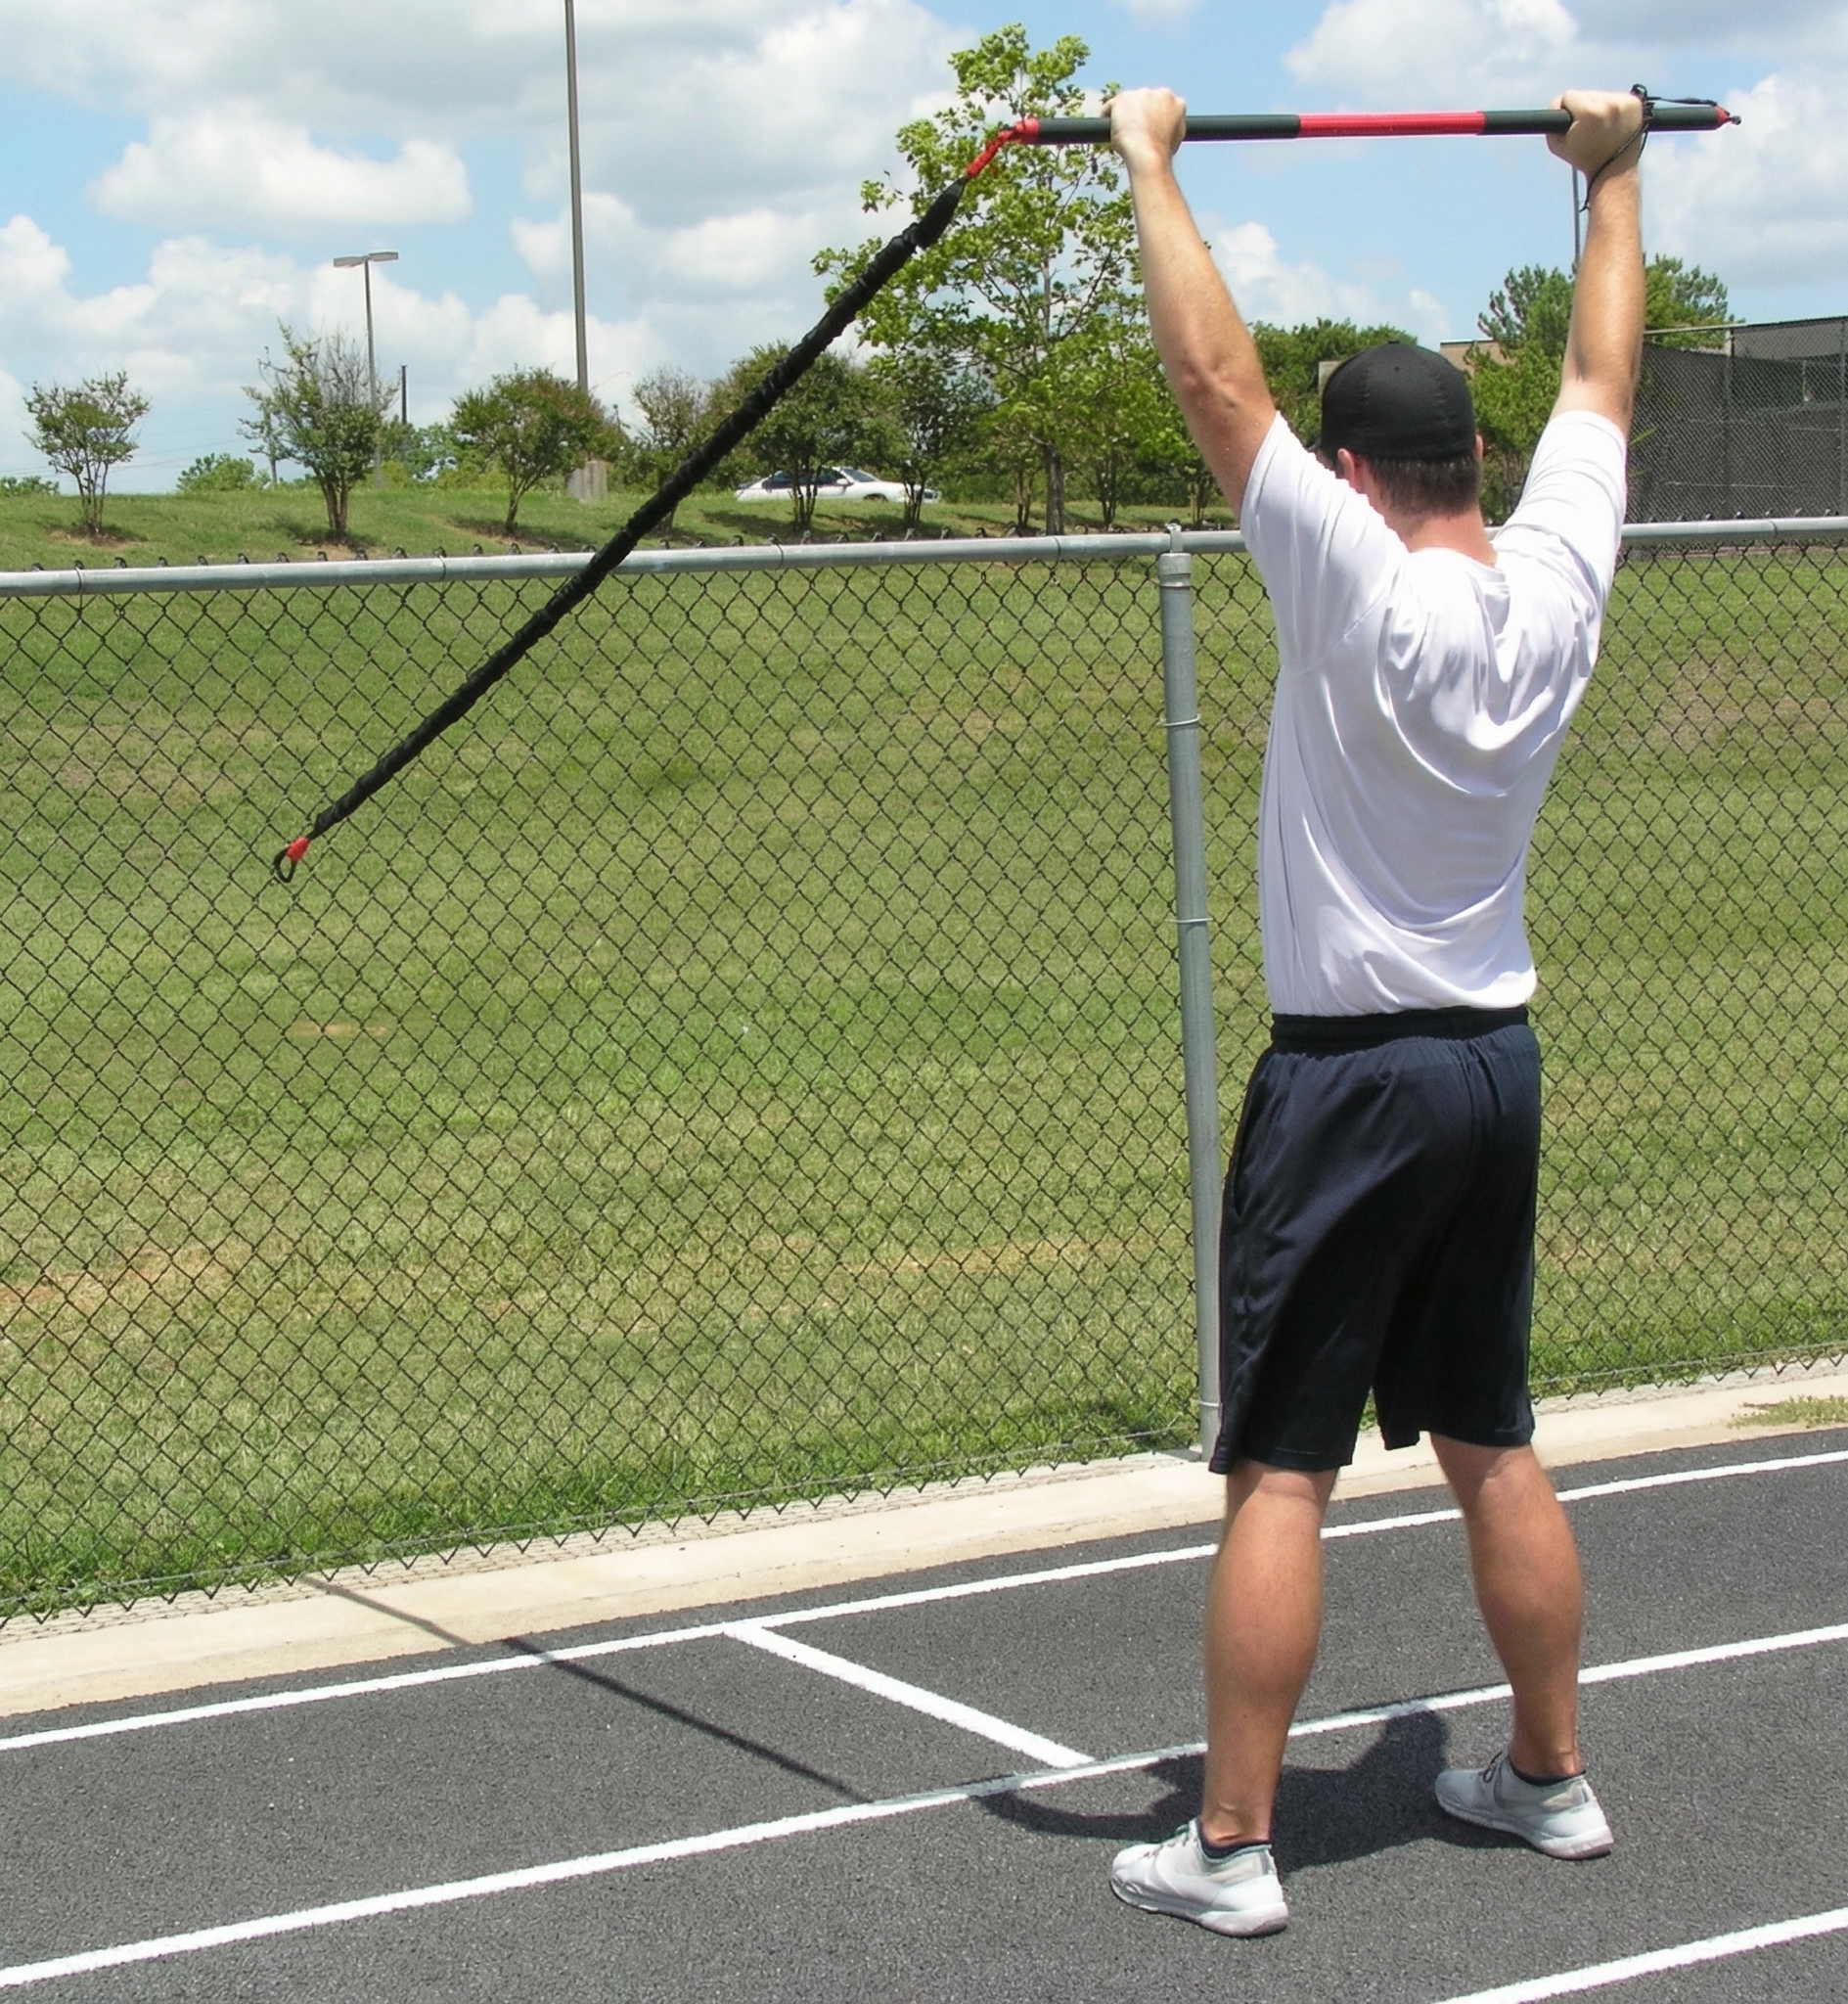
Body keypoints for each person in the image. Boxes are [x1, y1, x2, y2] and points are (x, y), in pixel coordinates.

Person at [1105, 86, 1648, 1936]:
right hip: (1495, 1061)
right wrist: (1617, 177)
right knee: (1493, 1431)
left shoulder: (1345, 582)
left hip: (1352, 1080)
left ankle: (1235, 1847)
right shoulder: (1560, 577)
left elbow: (1211, 383)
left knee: (1285, 1466)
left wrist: (1149, 164)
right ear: (1476, 455)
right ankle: (1548, 1779)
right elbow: (1606, 387)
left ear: (1351, 481)